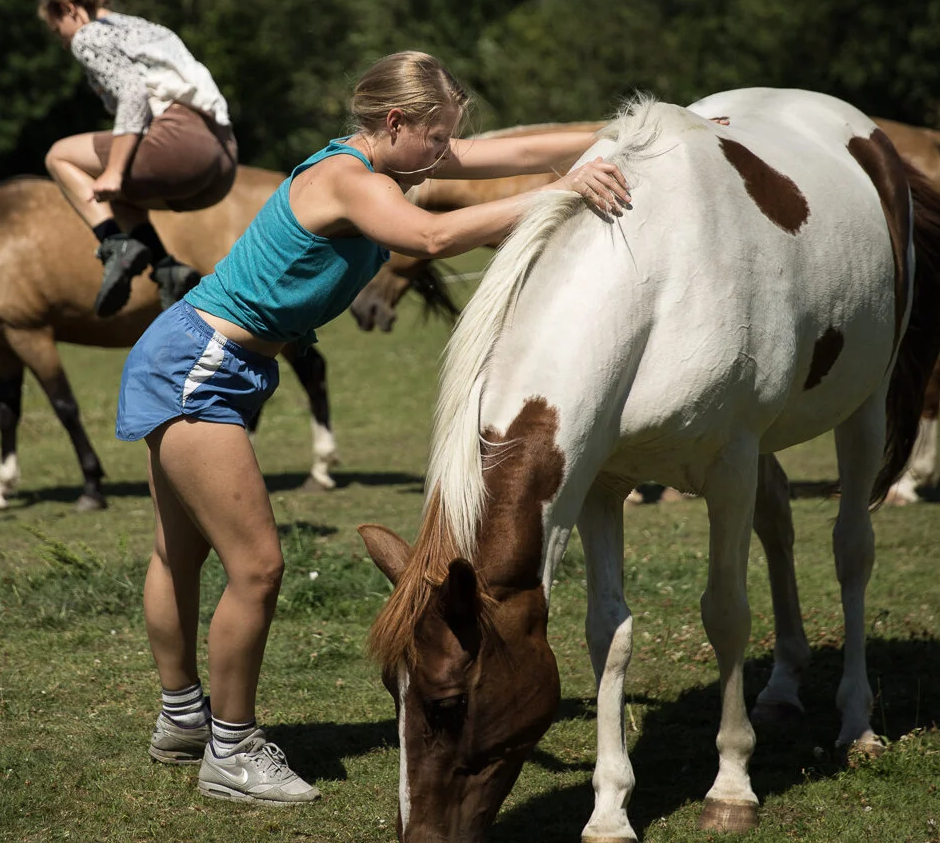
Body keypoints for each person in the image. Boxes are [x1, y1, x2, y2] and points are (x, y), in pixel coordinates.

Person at [116, 51, 630, 805]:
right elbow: (428, 240)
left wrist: (625, 133)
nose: (445, 154)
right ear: (395, 123)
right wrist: (564, 190)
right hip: (201, 363)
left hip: (201, 354)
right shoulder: (347, 181)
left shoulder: (389, 162)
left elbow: (511, 150)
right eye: (436, 139)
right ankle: (229, 749)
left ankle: (183, 720)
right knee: (256, 568)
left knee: (180, 551)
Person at [38, 0, 238, 317]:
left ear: (68, 10)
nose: (64, 40)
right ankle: (166, 268)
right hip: (221, 158)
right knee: (118, 195)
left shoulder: (90, 35)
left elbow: (132, 95)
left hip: (181, 142)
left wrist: (114, 170)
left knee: (60, 157)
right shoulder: (145, 27)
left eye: (59, 31)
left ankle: (115, 245)